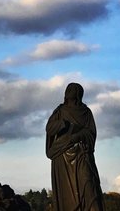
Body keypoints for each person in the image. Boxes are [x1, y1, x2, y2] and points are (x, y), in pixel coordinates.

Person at [45, 83, 105, 211]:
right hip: (63, 155)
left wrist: (78, 136)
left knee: (89, 186)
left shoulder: (86, 112)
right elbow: (49, 128)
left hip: (82, 155)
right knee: (67, 193)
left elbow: (91, 133)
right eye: (68, 89)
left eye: (73, 89)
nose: (69, 91)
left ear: (79, 93)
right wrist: (63, 124)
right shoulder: (60, 111)